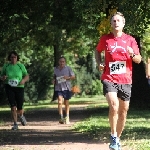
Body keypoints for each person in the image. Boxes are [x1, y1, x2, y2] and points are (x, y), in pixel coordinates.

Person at [95, 12, 142, 150]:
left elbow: (138, 60)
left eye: (118, 21)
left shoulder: (130, 40)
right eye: (114, 21)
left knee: (123, 111)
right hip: (109, 77)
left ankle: (117, 139)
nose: (116, 23)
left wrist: (132, 54)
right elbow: (97, 51)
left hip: (125, 79)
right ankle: (113, 135)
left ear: (123, 23)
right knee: (114, 105)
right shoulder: (105, 39)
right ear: (111, 24)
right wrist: (99, 63)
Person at [1, 51, 29, 130]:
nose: (13, 59)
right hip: (9, 87)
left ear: (17, 58)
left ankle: (21, 115)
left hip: (19, 87)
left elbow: (26, 75)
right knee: (13, 106)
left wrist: (23, 80)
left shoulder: (20, 66)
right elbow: (1, 76)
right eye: (12, 57)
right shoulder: (6, 66)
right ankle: (15, 124)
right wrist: (3, 78)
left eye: (15, 57)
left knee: (20, 107)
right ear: (9, 58)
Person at [53, 56, 75, 124]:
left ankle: (67, 117)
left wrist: (67, 77)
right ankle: (61, 117)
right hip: (58, 88)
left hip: (66, 87)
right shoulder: (55, 69)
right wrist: (53, 80)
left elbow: (73, 77)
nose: (62, 63)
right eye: (60, 61)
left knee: (66, 103)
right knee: (60, 102)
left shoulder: (68, 68)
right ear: (58, 62)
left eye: (63, 62)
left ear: (65, 62)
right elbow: (54, 76)